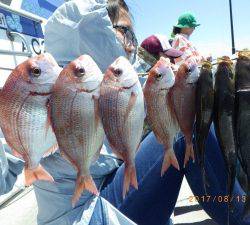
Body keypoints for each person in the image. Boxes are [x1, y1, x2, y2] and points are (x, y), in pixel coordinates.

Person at [0, 2, 248, 225]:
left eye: (134, 35)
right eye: (126, 32)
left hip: (112, 192)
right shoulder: (44, 89)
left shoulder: (118, 81)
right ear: (97, 29)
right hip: (84, 216)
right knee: (187, 135)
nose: (133, 44)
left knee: (192, 120)